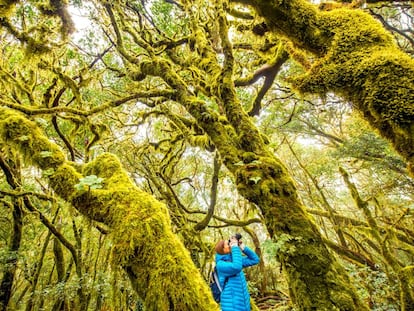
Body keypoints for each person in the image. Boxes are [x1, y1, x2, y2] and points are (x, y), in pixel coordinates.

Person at [214, 235, 260, 311]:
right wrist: (235, 247)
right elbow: (237, 267)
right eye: (228, 244)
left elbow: (255, 259)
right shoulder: (220, 264)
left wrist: (242, 247)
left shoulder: (233, 260)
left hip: (243, 303)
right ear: (223, 250)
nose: (230, 245)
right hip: (231, 305)